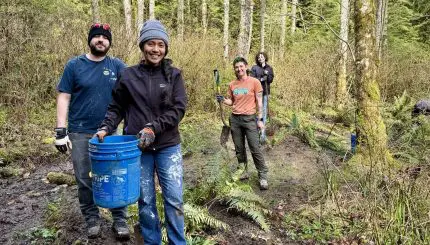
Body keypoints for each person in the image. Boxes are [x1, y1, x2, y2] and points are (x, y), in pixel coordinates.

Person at [95, 20, 187, 244]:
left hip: (168, 145)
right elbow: (116, 106)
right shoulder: (128, 75)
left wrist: (153, 127)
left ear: (165, 48)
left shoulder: (174, 75)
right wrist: (106, 127)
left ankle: (178, 242)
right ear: (142, 46)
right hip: (138, 148)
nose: (156, 49)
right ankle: (151, 241)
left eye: (161, 45)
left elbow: (179, 109)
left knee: (174, 199)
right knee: (145, 200)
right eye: (151, 44)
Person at [54, 23, 130, 239]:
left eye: (105, 37)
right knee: (84, 179)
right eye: (96, 36)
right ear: (89, 40)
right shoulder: (74, 65)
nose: (100, 40)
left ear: (109, 42)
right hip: (80, 132)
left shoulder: (117, 66)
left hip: (111, 134)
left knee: (115, 176)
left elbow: (133, 91)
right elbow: (64, 96)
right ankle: (92, 219)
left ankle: (120, 220)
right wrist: (60, 130)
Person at [216, 57, 269, 190]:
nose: (239, 69)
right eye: (236, 67)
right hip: (235, 119)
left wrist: (260, 120)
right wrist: (222, 99)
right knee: (239, 148)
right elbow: (232, 102)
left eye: (241, 66)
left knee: (255, 148)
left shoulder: (255, 82)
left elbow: (260, 102)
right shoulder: (232, 84)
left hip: (250, 119)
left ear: (246, 67)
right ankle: (243, 170)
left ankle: (262, 175)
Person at [251, 52, 274, 142]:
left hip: (265, 93)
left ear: (265, 57)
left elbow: (270, 80)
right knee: (255, 112)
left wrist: (267, 75)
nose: (260, 58)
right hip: (255, 93)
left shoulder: (269, 68)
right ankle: (254, 132)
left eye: (262, 57)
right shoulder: (254, 68)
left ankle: (262, 135)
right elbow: (252, 79)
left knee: (263, 113)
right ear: (257, 59)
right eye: (259, 57)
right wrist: (261, 79)